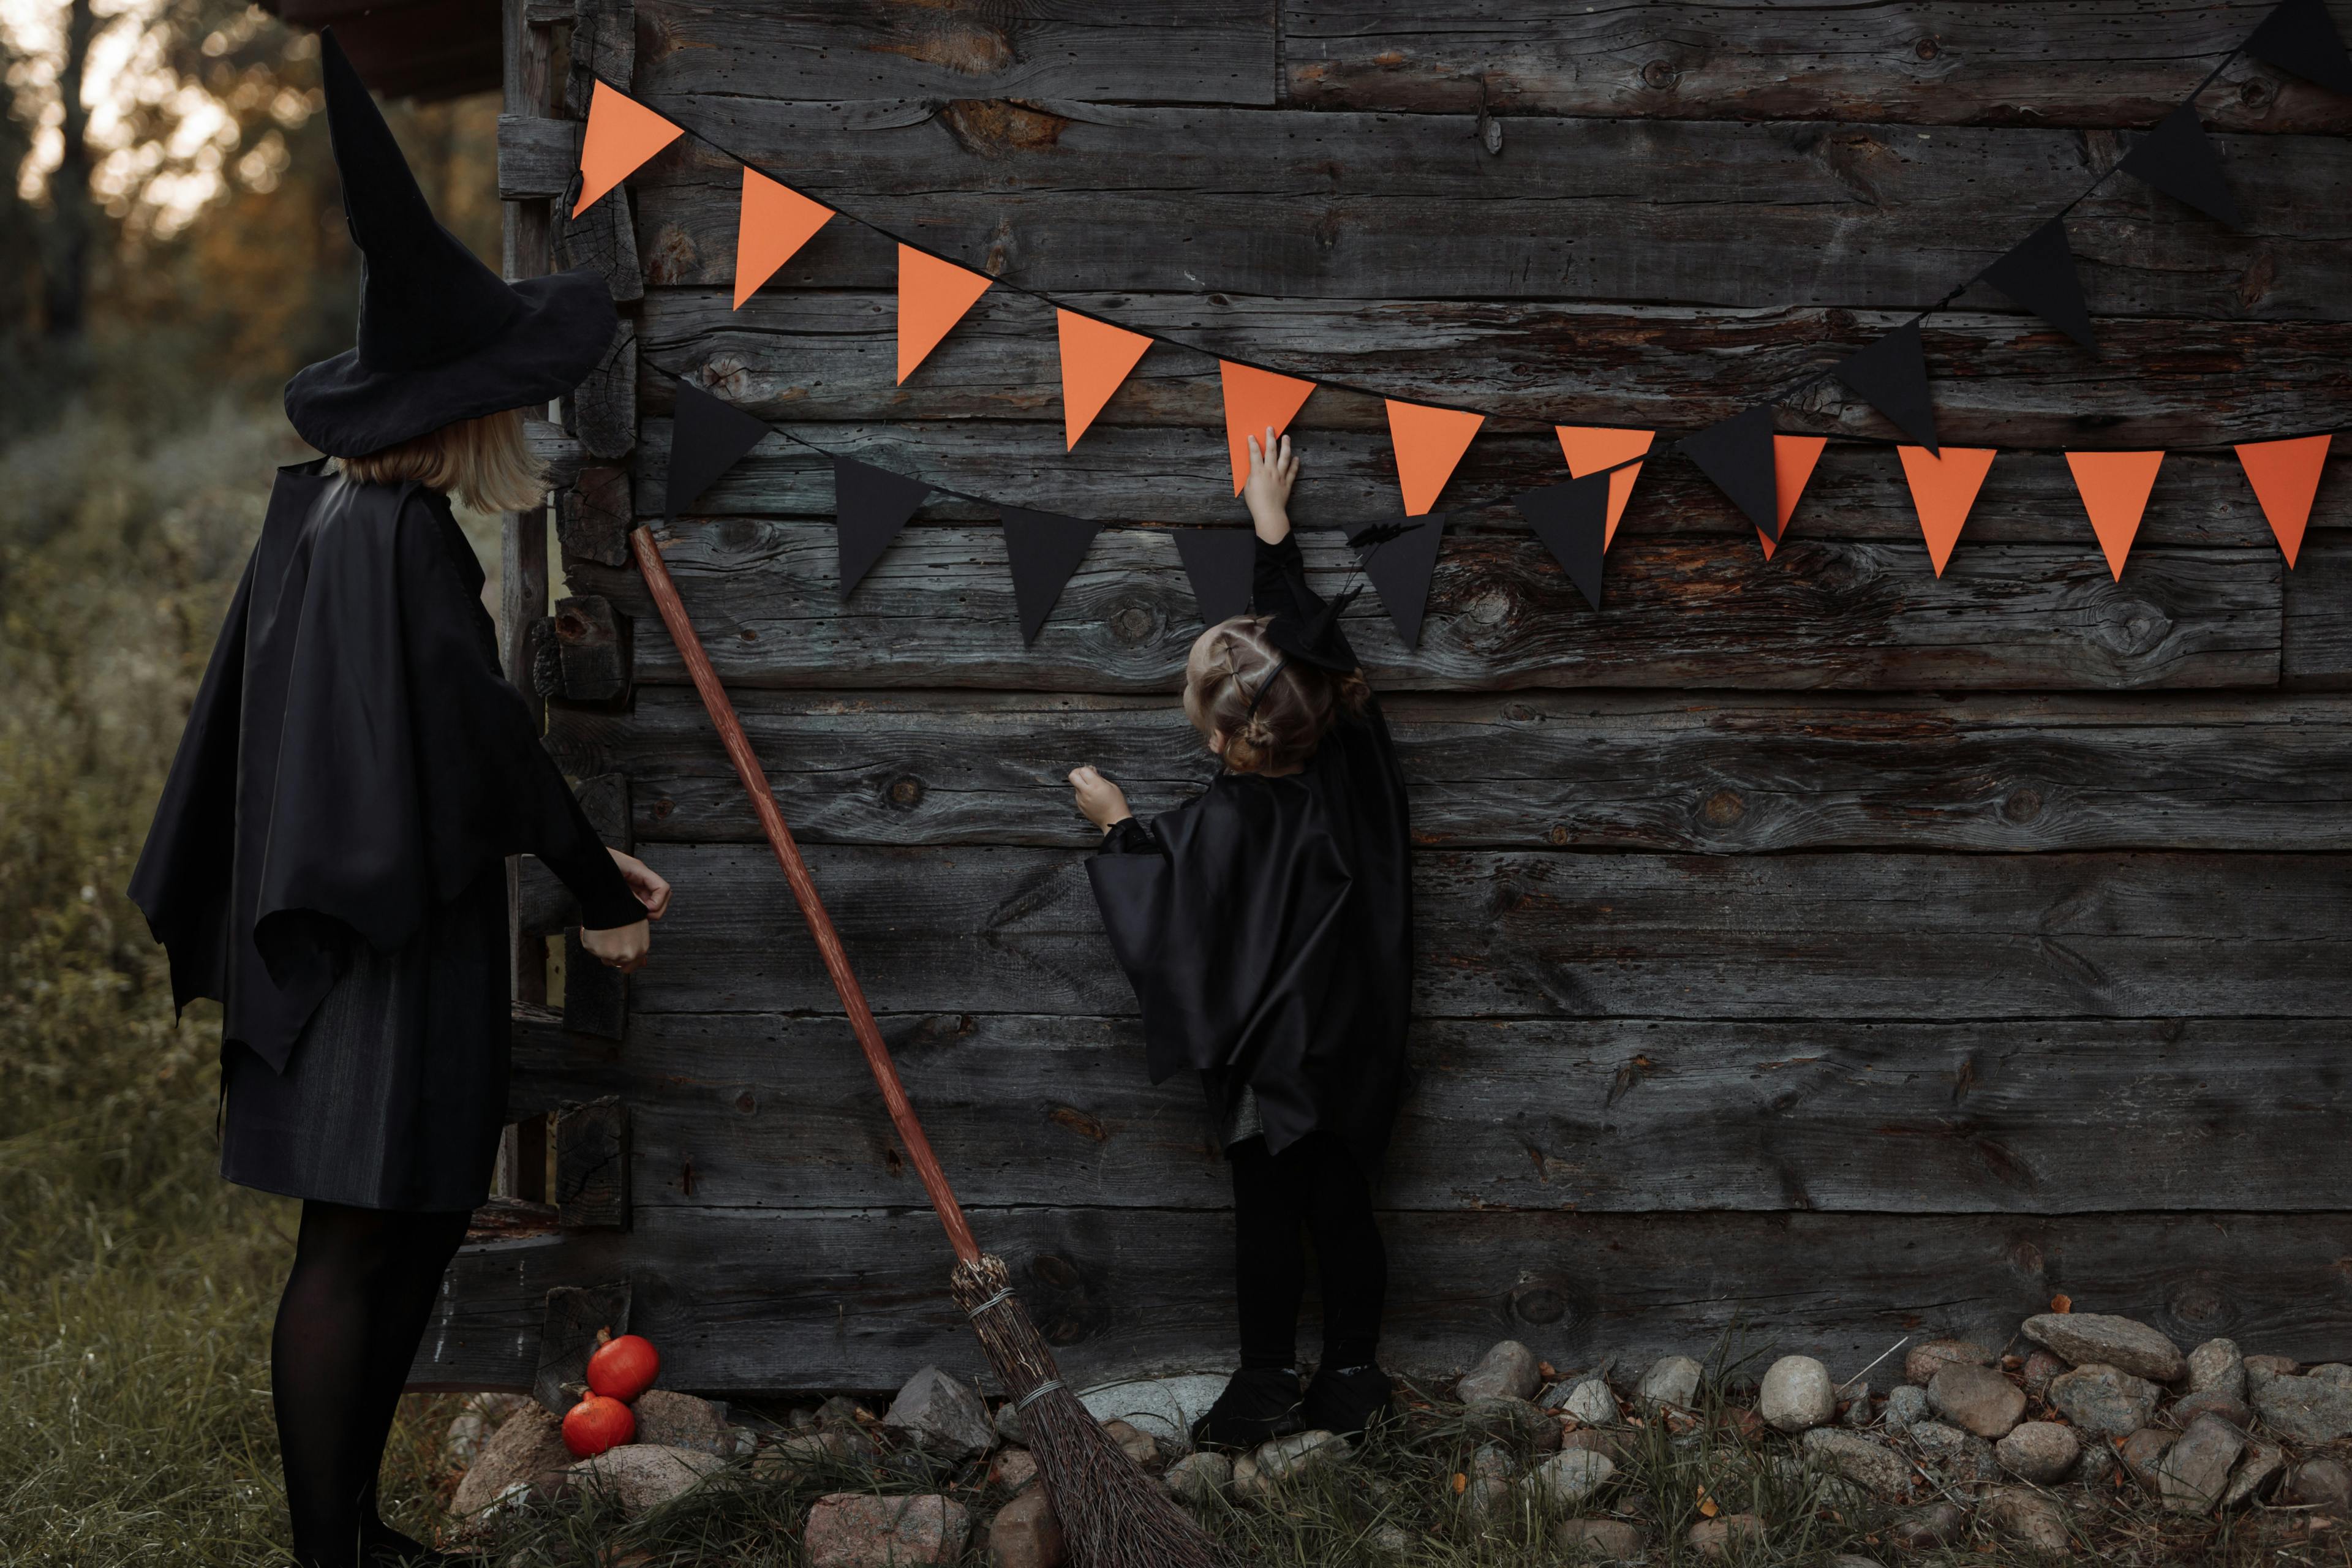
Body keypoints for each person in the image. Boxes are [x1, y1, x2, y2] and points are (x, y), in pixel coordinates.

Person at [127, 31, 662, 1568]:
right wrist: (605, 888)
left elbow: (416, 747)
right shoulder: (407, 541)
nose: (529, 424)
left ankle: (350, 1529)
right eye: (515, 398)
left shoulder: (323, 517)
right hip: (378, 947)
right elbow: (483, 744)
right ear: (466, 409)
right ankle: (330, 1551)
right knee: (360, 1241)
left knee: (399, 1229)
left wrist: (582, 856)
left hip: (342, 922)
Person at [1071, 428, 1415, 1448]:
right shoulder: (1356, 767)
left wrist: (1115, 823)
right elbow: (1313, 653)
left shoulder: (1220, 824)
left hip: (1274, 1073)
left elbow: (1171, 915)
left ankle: (1266, 1379)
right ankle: (1353, 1375)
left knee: (1269, 1218)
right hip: (1352, 1043)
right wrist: (1274, 538)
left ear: (1224, 740)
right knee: (1347, 1208)